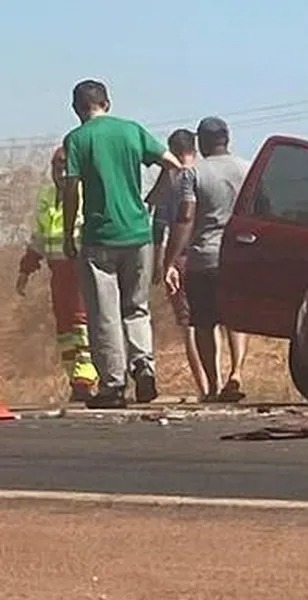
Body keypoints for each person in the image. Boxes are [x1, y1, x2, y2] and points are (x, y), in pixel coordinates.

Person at [62, 79, 184, 409]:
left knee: (104, 314)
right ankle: (144, 369)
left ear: (77, 109)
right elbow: (174, 165)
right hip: (138, 234)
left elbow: (71, 188)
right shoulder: (132, 131)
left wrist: (69, 232)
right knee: (136, 307)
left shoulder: (77, 140)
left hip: (100, 236)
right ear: (108, 103)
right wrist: (152, 199)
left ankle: (113, 385)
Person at [162, 116, 250, 402]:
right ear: (228, 138)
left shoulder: (193, 173)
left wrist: (171, 258)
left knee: (204, 321)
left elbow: (186, 216)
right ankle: (237, 372)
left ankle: (213, 385)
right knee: (236, 319)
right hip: (239, 255)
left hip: (204, 256)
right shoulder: (248, 169)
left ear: (201, 142)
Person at [15, 146, 99, 402]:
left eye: (65, 165)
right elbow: (39, 236)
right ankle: (75, 378)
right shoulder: (46, 195)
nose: (61, 172)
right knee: (64, 328)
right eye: (57, 166)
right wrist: (26, 269)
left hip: (81, 268)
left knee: (82, 322)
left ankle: (88, 378)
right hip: (57, 271)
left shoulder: (87, 192)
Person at [144, 128, 209, 400]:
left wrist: (159, 265)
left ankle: (205, 387)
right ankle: (225, 378)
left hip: (179, 256)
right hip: (210, 253)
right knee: (214, 321)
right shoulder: (208, 173)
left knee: (188, 325)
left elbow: (159, 227)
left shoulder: (169, 181)